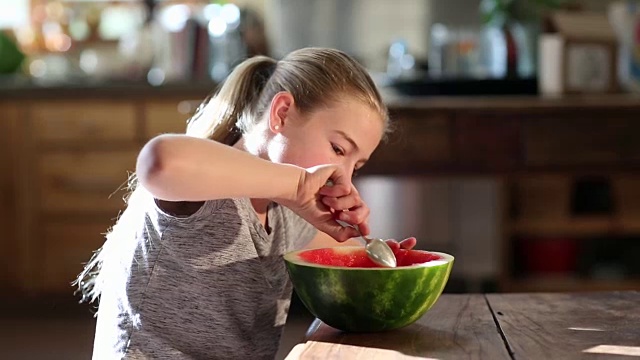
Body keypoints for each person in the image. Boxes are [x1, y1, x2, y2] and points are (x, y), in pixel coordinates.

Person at [76, 47, 416, 360]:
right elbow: (159, 161)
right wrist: (298, 185)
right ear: (281, 114)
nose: (343, 175)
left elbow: (350, 272)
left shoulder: (290, 210)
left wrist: (383, 260)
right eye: (338, 150)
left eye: (356, 167)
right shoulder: (204, 187)